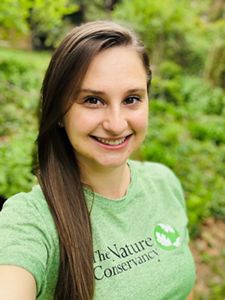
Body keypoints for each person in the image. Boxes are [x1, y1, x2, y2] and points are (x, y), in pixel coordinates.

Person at [0, 20, 196, 300]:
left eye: (131, 99)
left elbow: (181, 286)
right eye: (93, 100)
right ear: (58, 111)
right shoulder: (32, 220)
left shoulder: (164, 182)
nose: (116, 124)